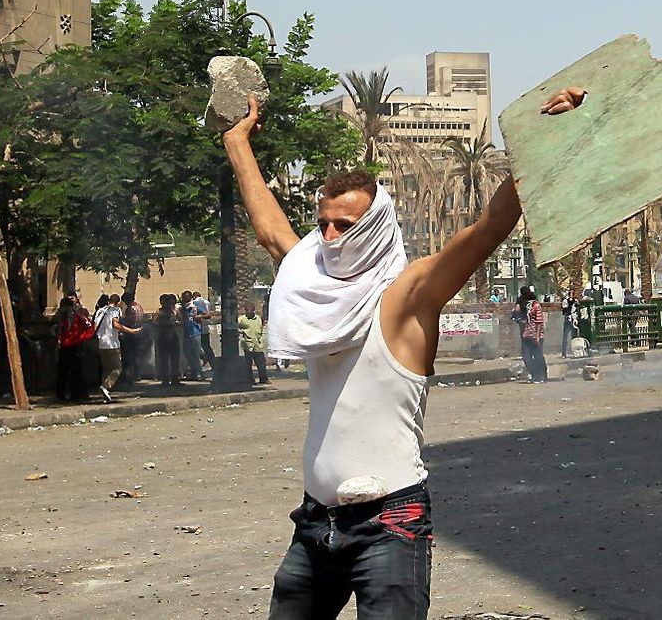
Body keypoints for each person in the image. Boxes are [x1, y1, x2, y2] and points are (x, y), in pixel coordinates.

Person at [223, 86, 585, 618]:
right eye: (322, 223)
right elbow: (272, 230)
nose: (326, 237)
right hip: (315, 525)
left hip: (390, 525)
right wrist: (236, 141)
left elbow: (487, 230)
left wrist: (545, 137)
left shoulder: (407, 297)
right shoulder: (314, 290)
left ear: (371, 229)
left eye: (342, 226)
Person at [92, 293, 141, 403]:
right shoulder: (115, 310)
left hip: (101, 344)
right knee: (117, 368)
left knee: (106, 369)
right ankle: (105, 386)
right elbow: (115, 324)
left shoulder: (100, 310)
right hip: (112, 344)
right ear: (118, 302)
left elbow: (95, 327)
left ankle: (105, 393)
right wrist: (131, 331)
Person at [56, 296, 94, 402]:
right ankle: (62, 394)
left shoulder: (78, 316)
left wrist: (81, 338)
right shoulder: (62, 317)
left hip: (75, 346)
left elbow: (89, 327)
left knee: (77, 372)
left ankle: (78, 395)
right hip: (65, 346)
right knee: (63, 372)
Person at [153, 293, 182, 386]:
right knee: (164, 360)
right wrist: (164, 323)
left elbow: (181, 320)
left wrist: (175, 323)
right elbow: (154, 322)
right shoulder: (159, 311)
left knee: (175, 360)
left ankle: (175, 379)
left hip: (173, 336)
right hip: (163, 337)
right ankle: (165, 380)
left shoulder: (175, 310)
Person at [520, 288, 548, 382]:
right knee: (526, 357)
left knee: (538, 356)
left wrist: (537, 336)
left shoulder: (536, 306)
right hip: (527, 334)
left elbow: (539, 322)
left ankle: (542, 376)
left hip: (536, 335)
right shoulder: (527, 307)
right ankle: (534, 375)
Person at [239, 300, 269, 384]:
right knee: (248, 364)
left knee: (261, 363)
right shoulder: (242, 319)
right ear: (245, 310)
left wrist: (261, 340)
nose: (249, 311)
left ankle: (263, 379)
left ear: (253, 310)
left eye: (251, 310)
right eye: (247, 310)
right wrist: (241, 332)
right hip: (248, 344)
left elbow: (261, 329)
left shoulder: (258, 319)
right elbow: (235, 326)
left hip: (257, 344)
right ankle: (250, 380)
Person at [118, 291, 145, 385]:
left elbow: (129, 321)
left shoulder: (130, 309)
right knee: (137, 355)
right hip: (139, 333)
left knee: (129, 356)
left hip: (131, 333)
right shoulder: (139, 307)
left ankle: (129, 375)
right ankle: (137, 374)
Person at [179, 290, 205, 381]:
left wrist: (199, 317)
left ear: (190, 297)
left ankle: (201, 373)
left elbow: (207, 314)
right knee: (188, 353)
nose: (185, 299)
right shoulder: (182, 308)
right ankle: (194, 373)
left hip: (195, 332)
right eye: (183, 297)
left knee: (196, 354)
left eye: (186, 297)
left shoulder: (195, 306)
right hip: (187, 332)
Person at [192, 290, 216, 371]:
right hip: (206, 327)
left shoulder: (195, 302)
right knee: (207, 346)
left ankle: (203, 359)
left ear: (194, 296)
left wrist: (198, 316)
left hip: (198, 328)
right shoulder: (206, 302)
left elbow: (207, 314)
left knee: (196, 346)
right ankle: (213, 364)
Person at [560, 289, 579, 357]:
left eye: (572, 293)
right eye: (570, 293)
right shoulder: (565, 301)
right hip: (568, 319)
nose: (571, 295)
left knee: (574, 336)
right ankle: (564, 353)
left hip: (574, 319)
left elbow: (577, 309)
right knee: (565, 336)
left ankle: (575, 352)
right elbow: (564, 311)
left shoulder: (576, 301)